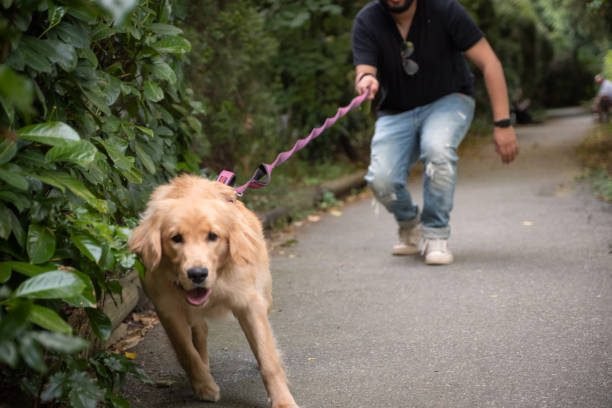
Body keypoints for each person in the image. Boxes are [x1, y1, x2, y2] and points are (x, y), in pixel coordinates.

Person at [352, 0, 519, 265]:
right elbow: (365, 69)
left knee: (437, 148)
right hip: (396, 110)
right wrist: (365, 80)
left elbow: (490, 63)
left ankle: (436, 233)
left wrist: (502, 123)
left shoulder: (445, 10)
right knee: (381, 179)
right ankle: (410, 225)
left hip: (449, 100)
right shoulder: (368, 20)